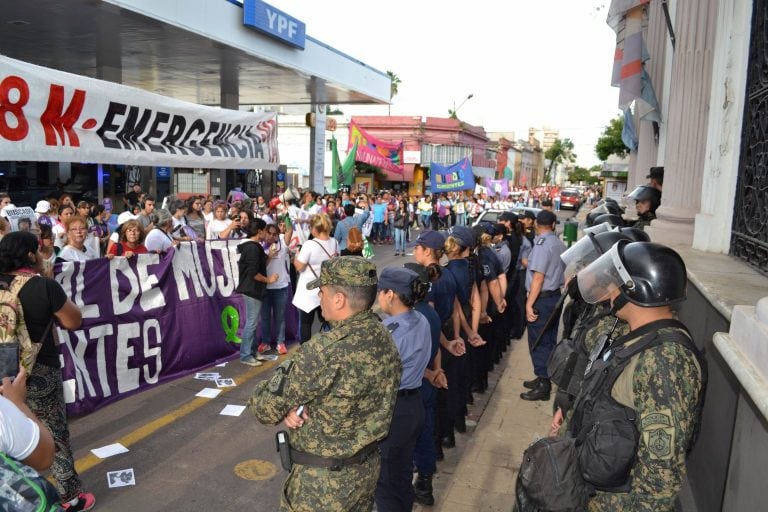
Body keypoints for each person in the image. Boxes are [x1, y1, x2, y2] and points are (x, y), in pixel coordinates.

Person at [248, 256, 401, 512]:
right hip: (365, 471)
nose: (320, 297)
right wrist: (300, 405)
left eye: (322, 291)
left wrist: (290, 402)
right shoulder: (382, 336)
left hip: (322, 485)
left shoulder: (322, 351)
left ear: (339, 299)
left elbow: (264, 407)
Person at [566, 241, 706, 511]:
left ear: (636, 289)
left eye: (614, 283)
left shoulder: (665, 362)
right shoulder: (637, 335)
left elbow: (658, 482)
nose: (608, 292)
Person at [0, 232, 93, 511]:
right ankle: (70, 497)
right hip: (37, 371)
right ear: (30, 255)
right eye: (38, 251)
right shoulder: (43, 286)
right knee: (53, 432)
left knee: (7, 432)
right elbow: (73, 321)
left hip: (2, 372)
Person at [374, 267, 432, 512]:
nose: (378, 297)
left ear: (391, 295)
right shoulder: (421, 319)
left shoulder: (391, 334)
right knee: (401, 476)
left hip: (393, 411)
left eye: (380, 292)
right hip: (413, 405)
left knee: (385, 484)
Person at [521, 210, 566, 401]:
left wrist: (529, 304)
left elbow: (538, 277)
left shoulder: (541, 244)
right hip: (554, 296)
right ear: (554, 224)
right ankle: (542, 377)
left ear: (537, 224)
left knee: (538, 341)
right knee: (548, 339)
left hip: (541, 297)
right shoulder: (558, 243)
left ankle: (543, 384)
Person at [236, 218, 278, 366]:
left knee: (253, 322)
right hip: (252, 289)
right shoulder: (252, 248)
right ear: (259, 231)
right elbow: (254, 273)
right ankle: (246, 355)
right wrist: (269, 280)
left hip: (253, 289)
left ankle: (252, 351)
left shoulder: (253, 247)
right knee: (252, 323)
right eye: (265, 230)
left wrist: (270, 257)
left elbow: (258, 265)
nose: (267, 234)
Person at [292, 214, 339, 343]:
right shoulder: (334, 242)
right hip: (326, 289)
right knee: (327, 321)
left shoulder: (309, 244)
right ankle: (330, 347)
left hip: (309, 291)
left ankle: (305, 352)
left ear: (314, 229)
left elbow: (300, 267)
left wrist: (295, 257)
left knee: (306, 324)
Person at [257, 220, 293, 356]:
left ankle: (280, 342)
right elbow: (260, 267)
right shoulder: (260, 246)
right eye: (269, 233)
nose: (272, 236)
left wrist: (286, 213)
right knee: (265, 317)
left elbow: (290, 230)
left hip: (281, 287)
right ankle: (265, 342)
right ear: (265, 233)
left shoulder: (283, 244)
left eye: (275, 234)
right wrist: (269, 257)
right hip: (265, 288)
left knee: (279, 317)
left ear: (278, 235)